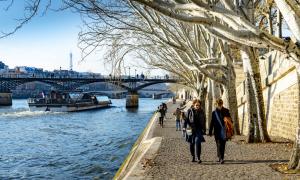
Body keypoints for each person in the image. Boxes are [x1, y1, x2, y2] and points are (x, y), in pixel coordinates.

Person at [209, 98, 231, 164]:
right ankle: (220, 157)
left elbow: (230, 120)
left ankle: (221, 158)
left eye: (220, 104)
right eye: (218, 105)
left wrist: (227, 120)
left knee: (223, 144)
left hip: (224, 130)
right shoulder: (214, 113)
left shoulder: (226, 111)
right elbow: (212, 122)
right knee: (218, 144)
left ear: (222, 104)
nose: (219, 106)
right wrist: (210, 131)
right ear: (216, 105)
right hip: (217, 130)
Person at [185, 99, 206, 163]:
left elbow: (204, 121)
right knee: (191, 143)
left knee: (198, 142)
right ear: (193, 105)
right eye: (196, 105)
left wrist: (204, 129)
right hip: (190, 129)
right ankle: (193, 156)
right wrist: (184, 127)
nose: (197, 106)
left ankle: (198, 158)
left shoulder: (202, 111)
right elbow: (186, 120)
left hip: (198, 129)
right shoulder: (189, 111)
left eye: (199, 105)